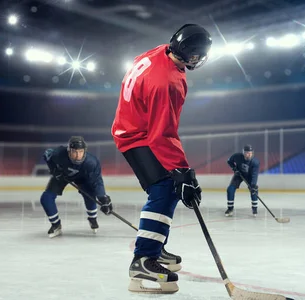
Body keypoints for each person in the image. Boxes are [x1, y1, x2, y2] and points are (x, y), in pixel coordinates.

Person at [111, 23, 212, 294]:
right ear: (190, 55)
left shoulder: (160, 51)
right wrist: (183, 172)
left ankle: (155, 247)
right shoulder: (167, 83)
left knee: (166, 188)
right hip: (137, 135)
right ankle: (144, 259)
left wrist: (180, 172)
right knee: (166, 188)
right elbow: (161, 136)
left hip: (132, 125)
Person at [39, 136, 113, 238]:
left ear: (85, 151)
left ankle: (92, 218)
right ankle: (56, 225)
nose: (78, 155)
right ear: (68, 151)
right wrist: (54, 170)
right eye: (75, 152)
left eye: (81, 151)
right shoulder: (59, 153)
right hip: (62, 175)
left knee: (90, 193)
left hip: (82, 178)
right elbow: (47, 155)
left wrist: (103, 198)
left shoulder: (91, 162)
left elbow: (97, 181)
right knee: (46, 198)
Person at [225, 145, 260, 217]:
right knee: (230, 189)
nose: (249, 154)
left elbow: (254, 175)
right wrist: (234, 168)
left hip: (249, 176)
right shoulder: (237, 156)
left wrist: (253, 185)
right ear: (244, 153)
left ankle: (254, 209)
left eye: (251, 152)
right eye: (247, 152)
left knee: (254, 190)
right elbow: (229, 161)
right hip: (239, 175)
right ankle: (230, 209)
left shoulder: (255, 162)